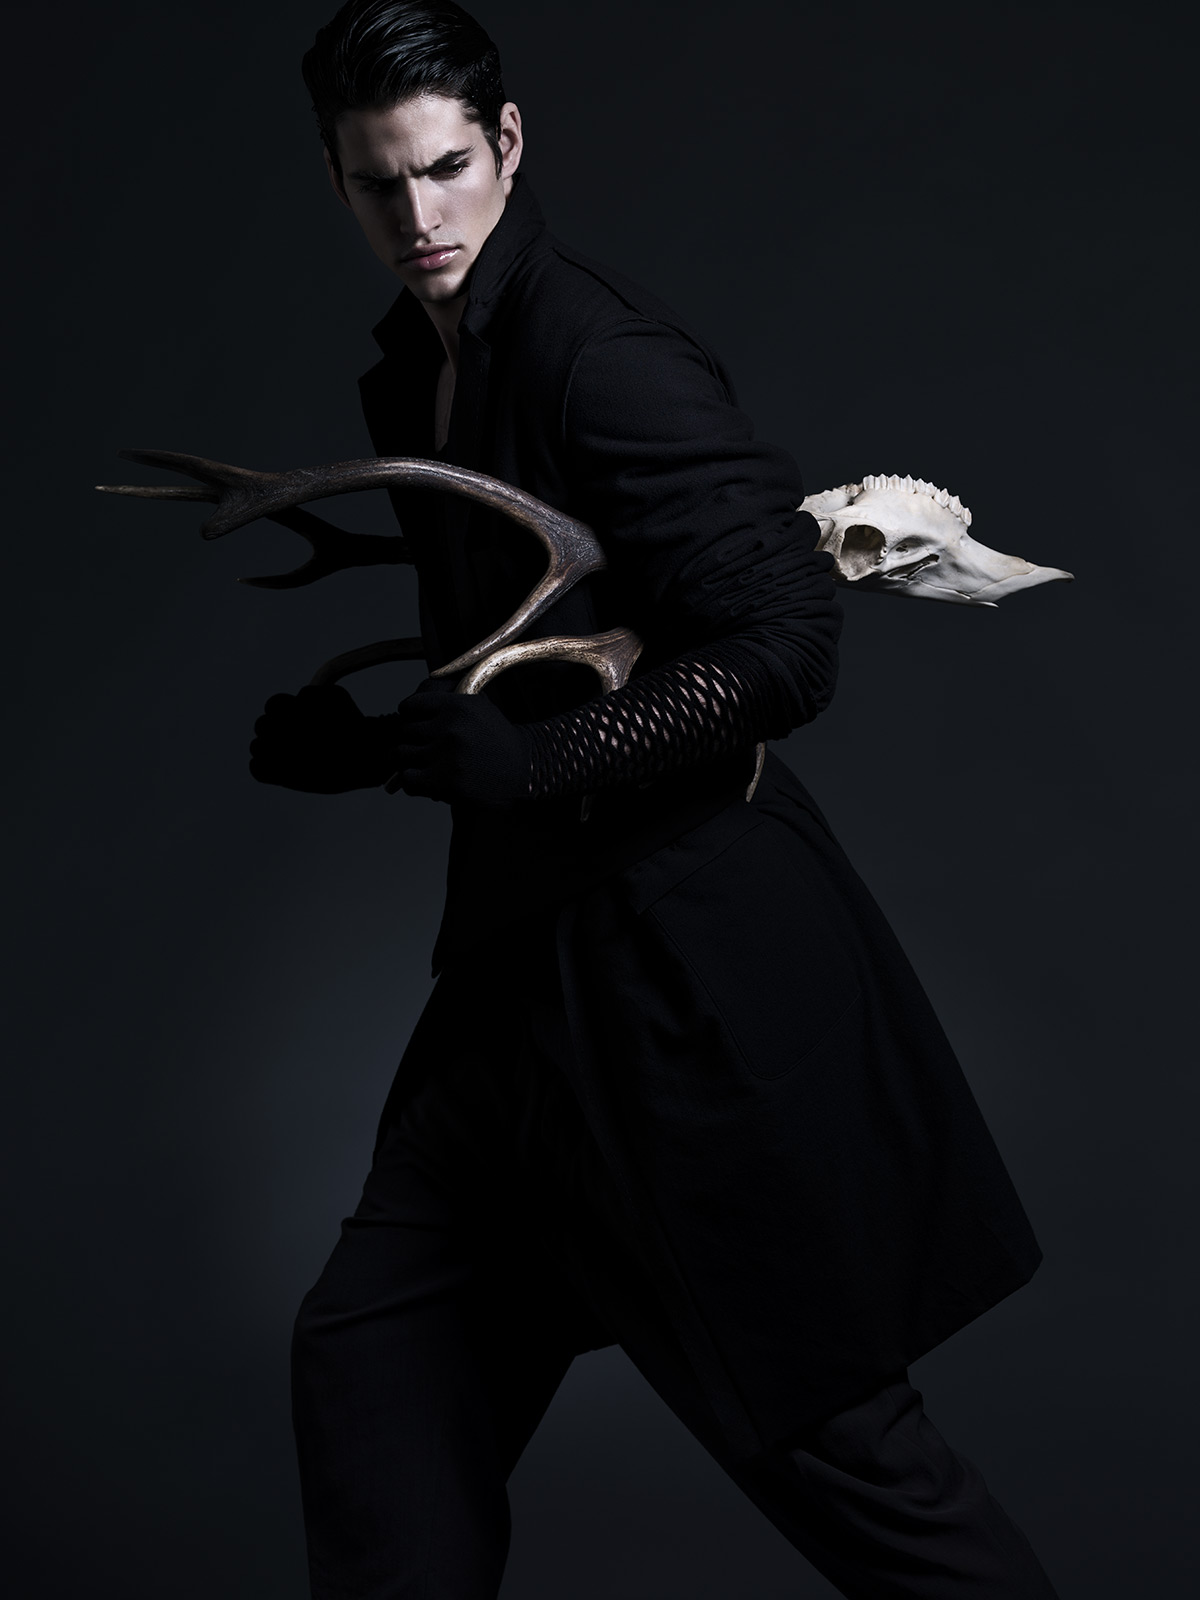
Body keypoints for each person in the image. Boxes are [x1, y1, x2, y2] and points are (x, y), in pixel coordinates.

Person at [249, 3, 1061, 1595]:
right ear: (335, 180)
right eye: (377, 183)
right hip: (520, 995)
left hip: (683, 993)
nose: (418, 216)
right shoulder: (415, 370)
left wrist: (539, 767)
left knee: (841, 1454)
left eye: (446, 168)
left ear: (509, 144)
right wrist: (375, 749)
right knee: (379, 1364)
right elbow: (530, 662)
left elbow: (789, 639)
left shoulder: (602, 356)